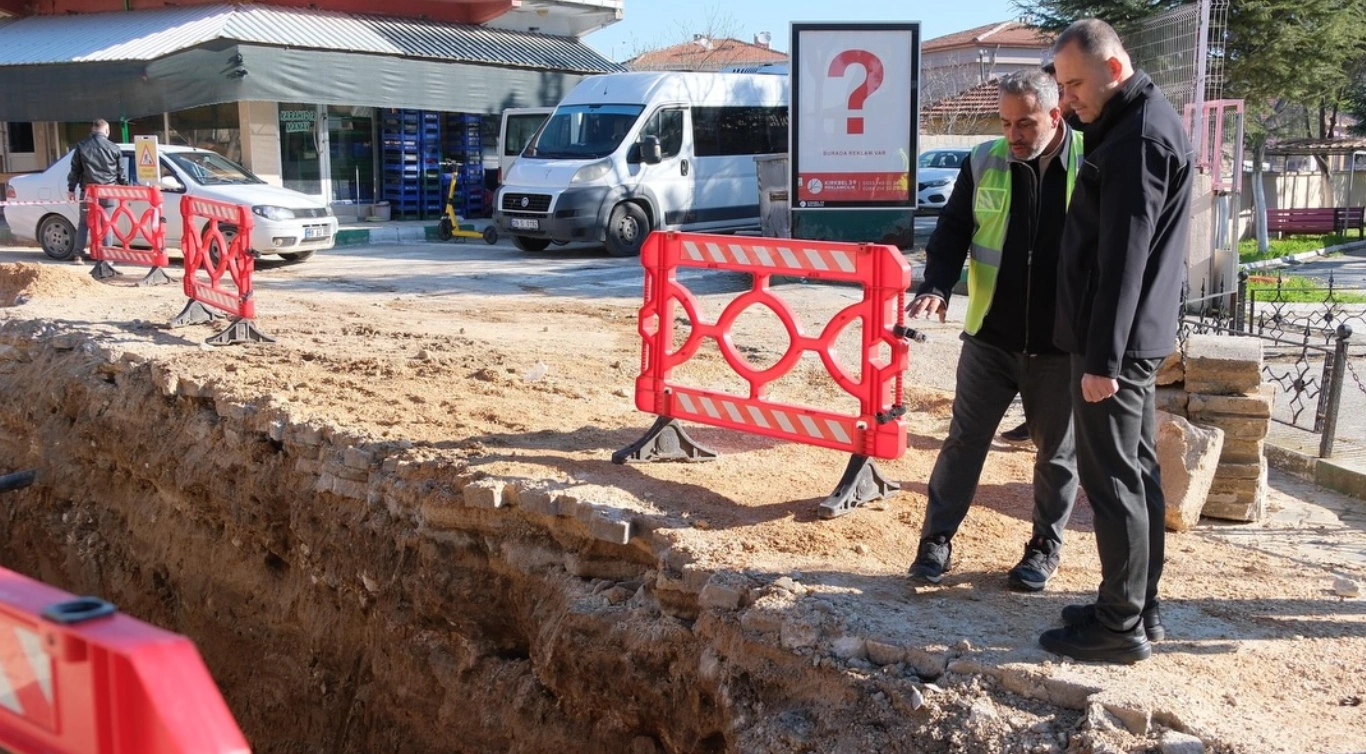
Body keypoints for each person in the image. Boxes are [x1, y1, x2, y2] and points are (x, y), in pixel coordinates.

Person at [1039, 18, 1193, 664]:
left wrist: (1101, 361)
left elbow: (1125, 258)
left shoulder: (1136, 140)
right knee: (1138, 474)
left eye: (1074, 85)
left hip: (1117, 350)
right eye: (1063, 87)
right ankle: (1136, 603)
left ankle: (1119, 623)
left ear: (1115, 69)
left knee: (1114, 481)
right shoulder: (1135, 122)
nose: (1066, 100)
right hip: (1130, 341)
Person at [906, 68, 1085, 592]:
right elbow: (955, 228)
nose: (1014, 136)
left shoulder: (1091, 162)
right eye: (1006, 123)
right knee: (963, 443)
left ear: (1056, 116)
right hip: (990, 336)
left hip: (1060, 345)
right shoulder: (984, 160)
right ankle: (935, 542)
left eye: (1025, 123)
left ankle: (1043, 549)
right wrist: (937, 285)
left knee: (1057, 454)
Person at [66, 119, 127, 264]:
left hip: (88, 191)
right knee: (107, 223)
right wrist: (126, 187)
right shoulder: (114, 148)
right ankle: (107, 256)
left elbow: (75, 170)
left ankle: (78, 255)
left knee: (84, 223)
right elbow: (121, 173)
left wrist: (71, 189)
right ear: (107, 131)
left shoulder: (81, 146)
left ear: (92, 130)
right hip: (108, 191)